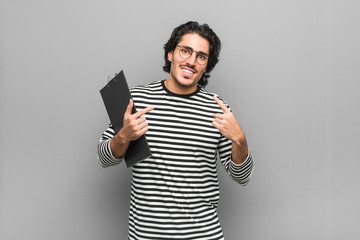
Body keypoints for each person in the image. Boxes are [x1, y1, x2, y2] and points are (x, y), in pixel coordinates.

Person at [97, 21, 254, 240]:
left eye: (201, 56)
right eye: (185, 51)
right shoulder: (137, 99)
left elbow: (242, 177)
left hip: (203, 235)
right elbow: (105, 158)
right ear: (170, 53)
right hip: (146, 235)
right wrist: (124, 136)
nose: (191, 61)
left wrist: (240, 141)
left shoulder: (218, 109)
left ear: (207, 65)